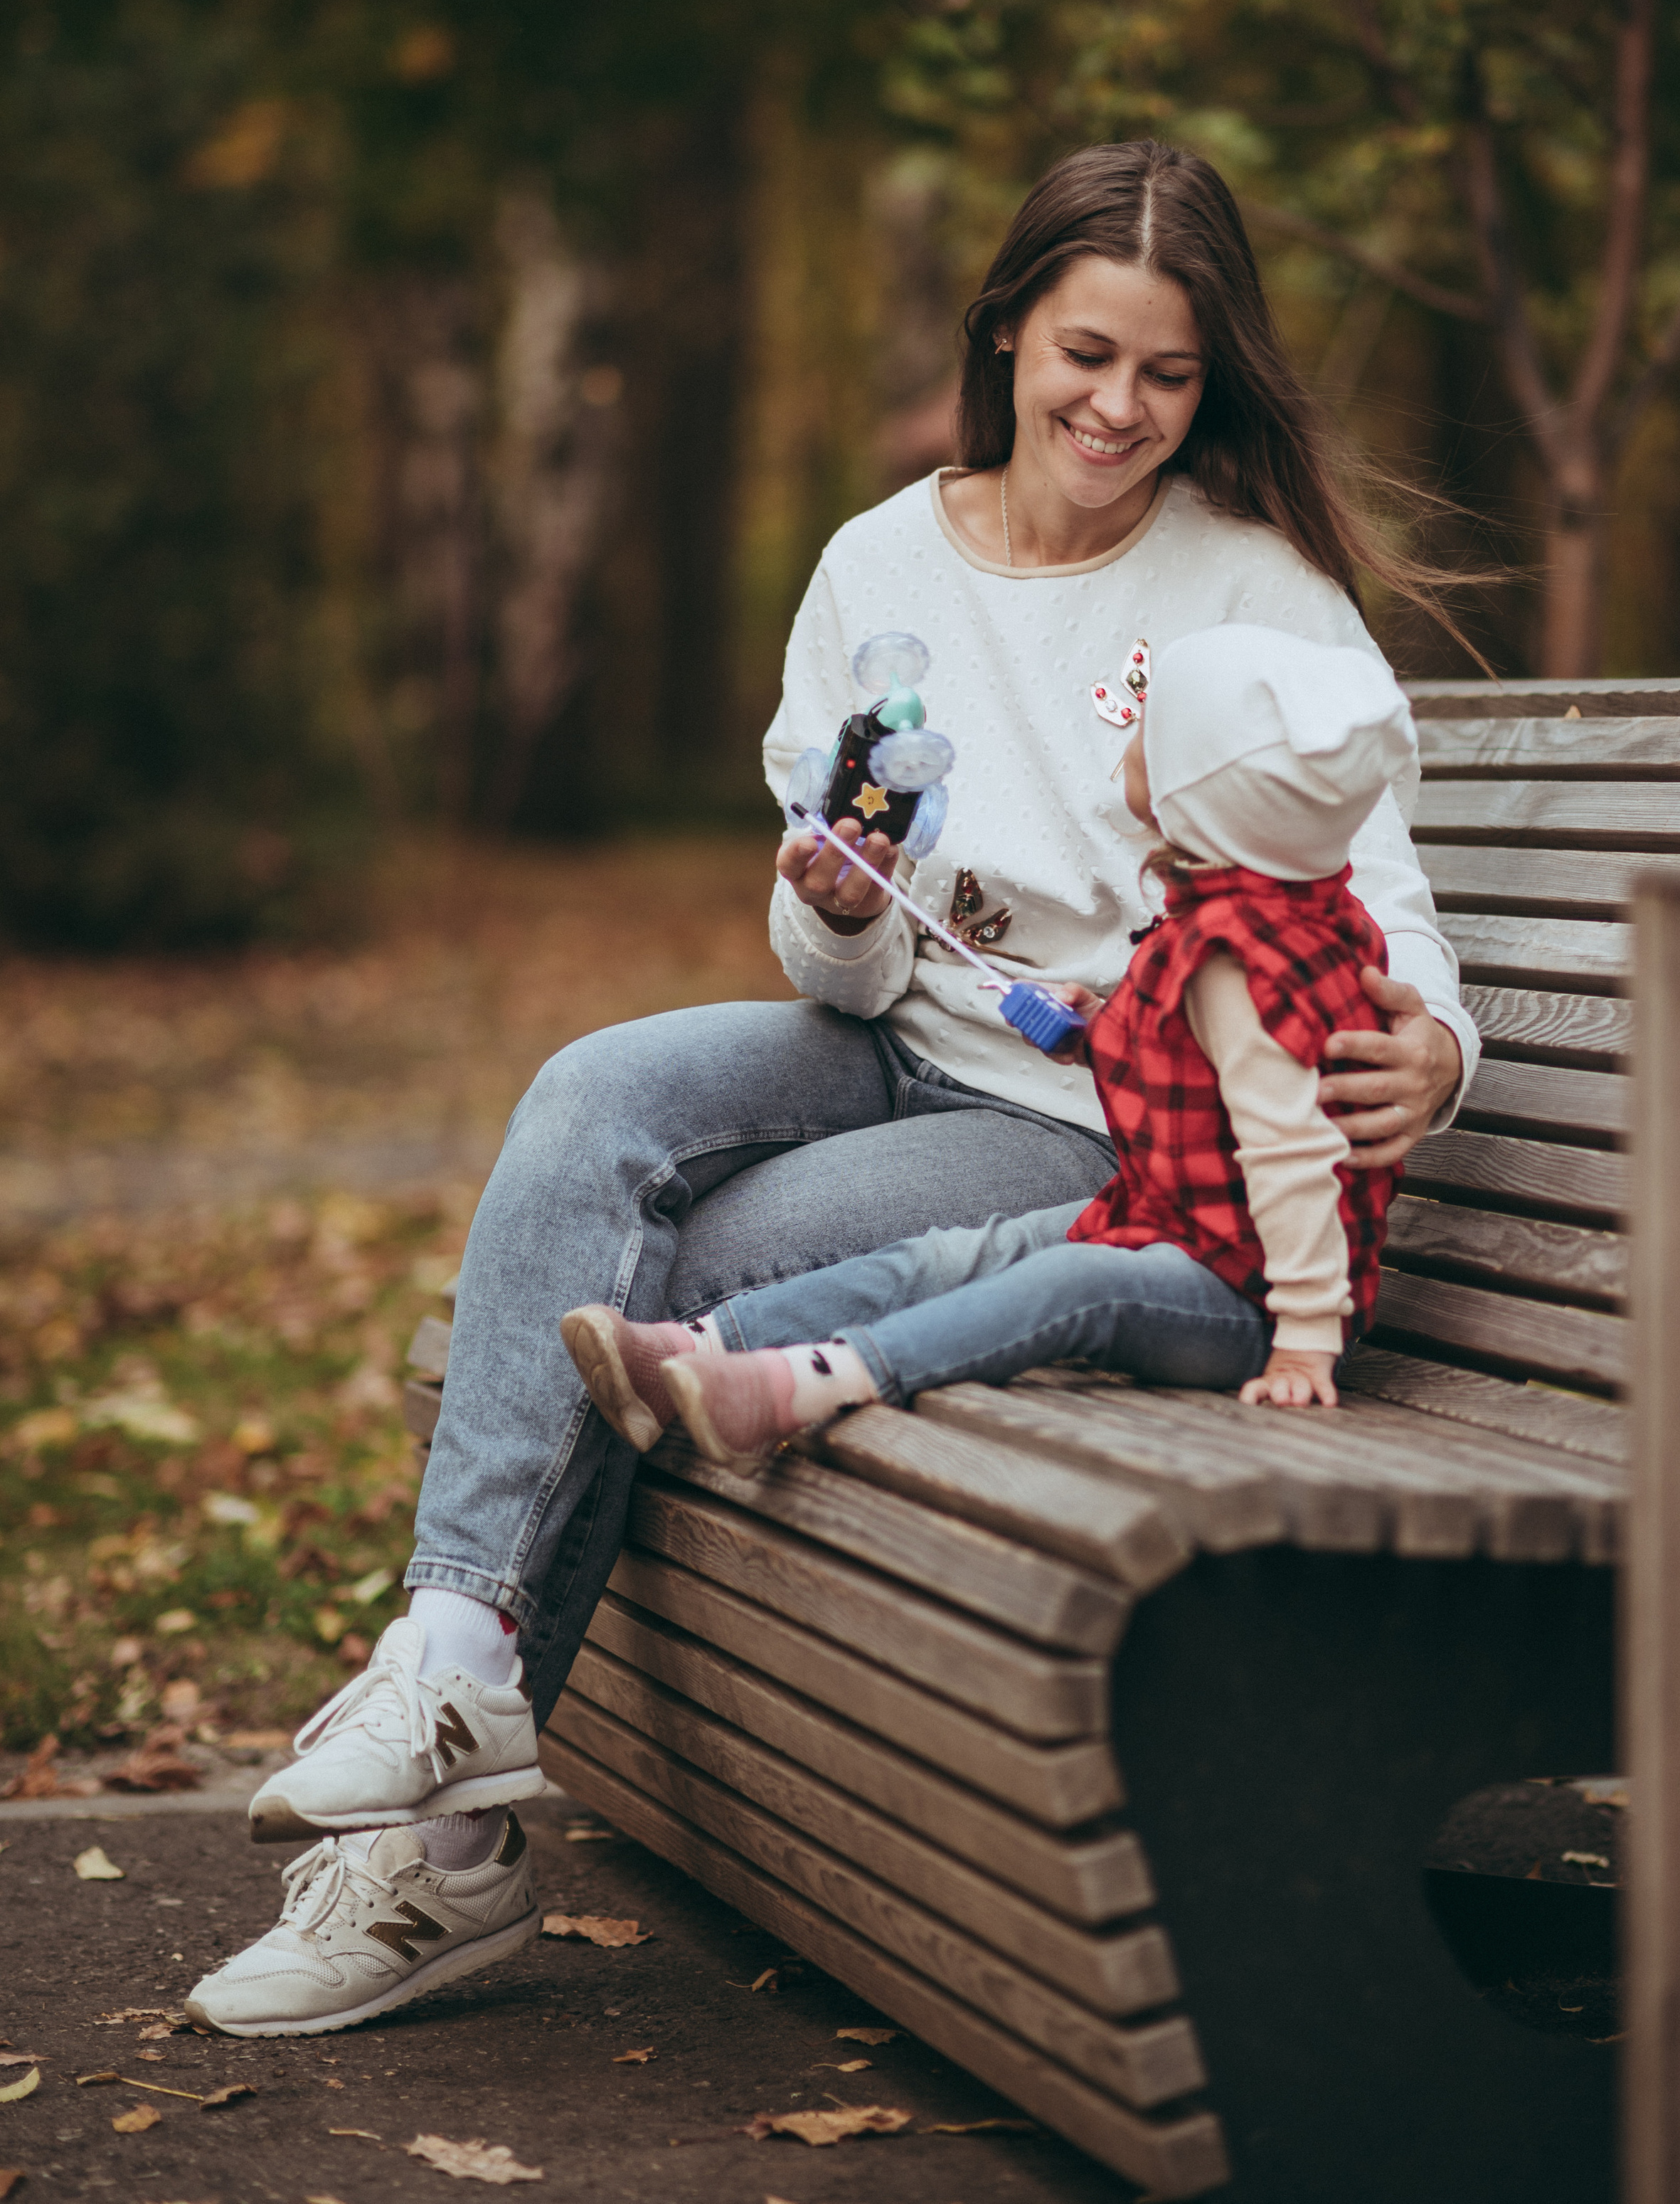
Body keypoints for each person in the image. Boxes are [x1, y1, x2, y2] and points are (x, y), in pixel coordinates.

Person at [187, 137, 1478, 2039]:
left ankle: (439, 1862)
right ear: (1007, 335)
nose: (1118, 406)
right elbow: (845, 973)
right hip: (889, 1037)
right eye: (1084, 354)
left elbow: (1387, 894)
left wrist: (1434, 1047)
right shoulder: (879, 563)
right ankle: (455, 1658)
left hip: (1086, 1117)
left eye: (1169, 372)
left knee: (662, 1269)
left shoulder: (1254, 586)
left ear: (1214, 384)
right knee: (589, 1092)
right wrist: (834, 901)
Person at [562, 623, 1414, 1466]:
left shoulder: (1238, 957)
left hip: (1245, 1297)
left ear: (1200, 790)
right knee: (965, 1253)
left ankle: (800, 1385)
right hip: (1180, 1225)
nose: (1125, 735)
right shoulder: (1261, 910)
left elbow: (1295, 1148)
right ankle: (698, 1350)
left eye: (1150, 733)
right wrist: (1094, 1030)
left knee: (1069, 1285)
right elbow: (1197, 1066)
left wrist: (1304, 1335)